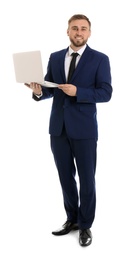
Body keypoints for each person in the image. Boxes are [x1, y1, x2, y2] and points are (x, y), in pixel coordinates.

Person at [25, 14, 113, 247]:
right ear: (67, 31)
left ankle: (85, 225)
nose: (79, 32)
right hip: (58, 129)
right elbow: (51, 89)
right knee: (65, 178)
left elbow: (106, 93)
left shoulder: (100, 59)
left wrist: (79, 92)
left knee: (87, 180)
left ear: (89, 33)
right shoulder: (55, 57)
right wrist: (37, 91)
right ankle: (72, 219)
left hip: (84, 130)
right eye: (75, 28)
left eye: (84, 29)